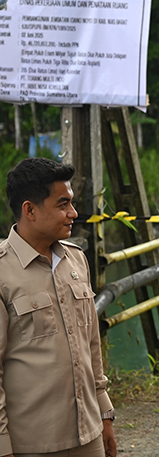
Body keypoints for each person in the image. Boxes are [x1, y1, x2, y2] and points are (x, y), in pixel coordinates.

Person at [0, 158, 117, 457]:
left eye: (72, 203)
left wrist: (104, 413)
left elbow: (91, 344)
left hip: (88, 435)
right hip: (32, 443)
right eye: (62, 204)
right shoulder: (3, 272)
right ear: (30, 209)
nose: (73, 214)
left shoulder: (76, 260)